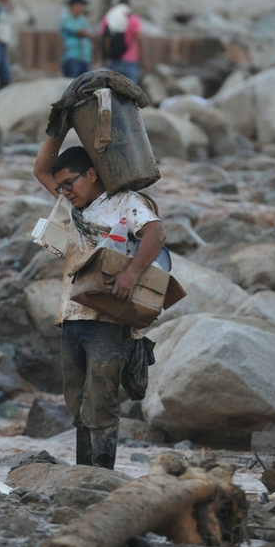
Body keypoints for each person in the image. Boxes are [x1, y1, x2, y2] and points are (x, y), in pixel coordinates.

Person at [33, 142, 166, 470]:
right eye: (60, 186)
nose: (64, 191)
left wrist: (131, 274)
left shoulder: (125, 202)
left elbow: (155, 231)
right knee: (77, 402)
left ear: (92, 174)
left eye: (70, 183)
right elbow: (40, 170)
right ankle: (84, 472)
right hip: (72, 315)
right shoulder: (74, 206)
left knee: (100, 402)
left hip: (109, 318)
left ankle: (100, 475)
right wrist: (57, 129)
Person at [98, 0, 146, 84]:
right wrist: (144, 60)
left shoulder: (107, 18)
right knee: (132, 93)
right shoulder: (133, 19)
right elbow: (139, 40)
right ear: (128, 5)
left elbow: (102, 40)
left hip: (113, 60)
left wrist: (102, 60)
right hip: (130, 62)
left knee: (113, 92)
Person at [60, 0, 93, 78]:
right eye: (81, 5)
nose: (82, 8)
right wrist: (86, 33)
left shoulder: (82, 19)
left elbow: (90, 33)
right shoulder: (66, 18)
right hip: (72, 58)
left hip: (84, 58)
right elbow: (79, 32)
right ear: (75, 6)